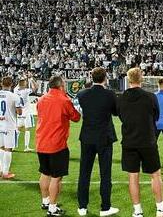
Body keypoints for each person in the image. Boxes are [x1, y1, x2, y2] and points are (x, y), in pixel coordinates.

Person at [117, 68, 163, 217]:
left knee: (133, 176)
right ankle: (160, 209)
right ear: (141, 79)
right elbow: (156, 116)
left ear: (129, 80)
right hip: (147, 140)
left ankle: (137, 211)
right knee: (155, 174)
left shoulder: (121, 98)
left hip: (129, 141)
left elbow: (121, 116)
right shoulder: (150, 97)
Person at [77, 67, 119, 217]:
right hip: (104, 137)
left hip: (87, 137)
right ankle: (105, 207)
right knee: (105, 173)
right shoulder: (110, 94)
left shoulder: (82, 94)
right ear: (105, 78)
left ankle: (82, 206)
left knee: (84, 172)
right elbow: (115, 112)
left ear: (92, 77)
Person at [36, 76, 81, 217]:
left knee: (45, 173)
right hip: (56, 144)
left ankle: (45, 201)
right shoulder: (64, 100)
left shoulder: (42, 99)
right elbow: (76, 117)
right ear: (61, 85)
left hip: (41, 142)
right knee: (56, 177)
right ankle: (52, 208)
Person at [0, 76, 22, 179]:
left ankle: (0, 170)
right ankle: (5, 172)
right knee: (8, 149)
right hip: (9, 125)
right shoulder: (14, 96)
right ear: (11, 84)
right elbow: (19, 112)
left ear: (1, 84)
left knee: (1, 147)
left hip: (0, 123)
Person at [14, 74, 38, 152]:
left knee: (18, 129)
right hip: (27, 112)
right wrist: (31, 79)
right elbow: (35, 88)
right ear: (24, 84)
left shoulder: (15, 90)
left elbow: (19, 84)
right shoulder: (26, 91)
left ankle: (14, 146)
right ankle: (26, 147)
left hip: (19, 112)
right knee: (27, 129)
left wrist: (23, 77)